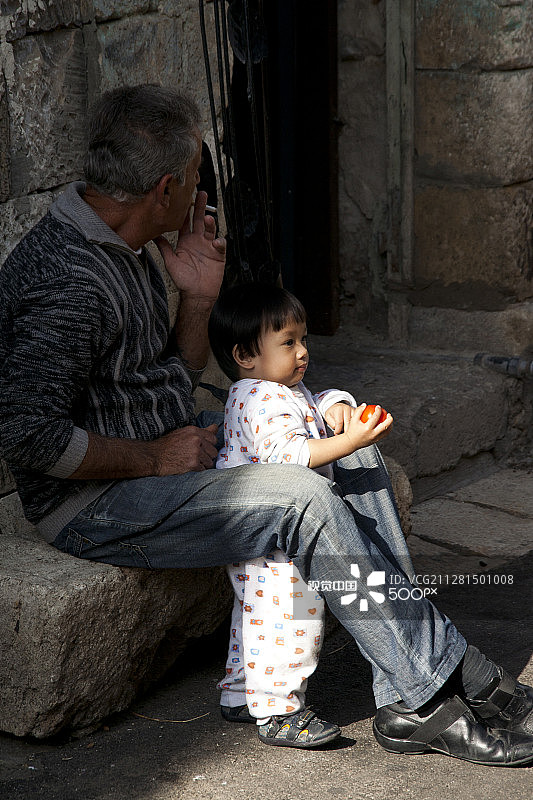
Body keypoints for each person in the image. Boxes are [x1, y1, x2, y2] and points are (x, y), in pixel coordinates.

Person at [0, 84, 532, 764]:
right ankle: (439, 690)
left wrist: (196, 298)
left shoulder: (125, 246)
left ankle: (404, 692)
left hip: (167, 454)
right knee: (298, 492)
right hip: (94, 503)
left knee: (354, 455)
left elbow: (167, 377)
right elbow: (28, 435)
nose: (202, 191)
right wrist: (152, 460)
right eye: (195, 176)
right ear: (164, 187)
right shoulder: (68, 279)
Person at [210, 282, 383, 745]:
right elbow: (291, 454)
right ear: (245, 354)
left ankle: (241, 694)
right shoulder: (259, 398)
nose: (302, 352)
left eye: (302, 339)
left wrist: (337, 404)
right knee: (291, 618)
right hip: (276, 534)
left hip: (257, 532)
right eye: (288, 342)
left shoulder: (273, 389)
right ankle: (281, 712)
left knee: (257, 614)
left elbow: (311, 402)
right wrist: (351, 443)